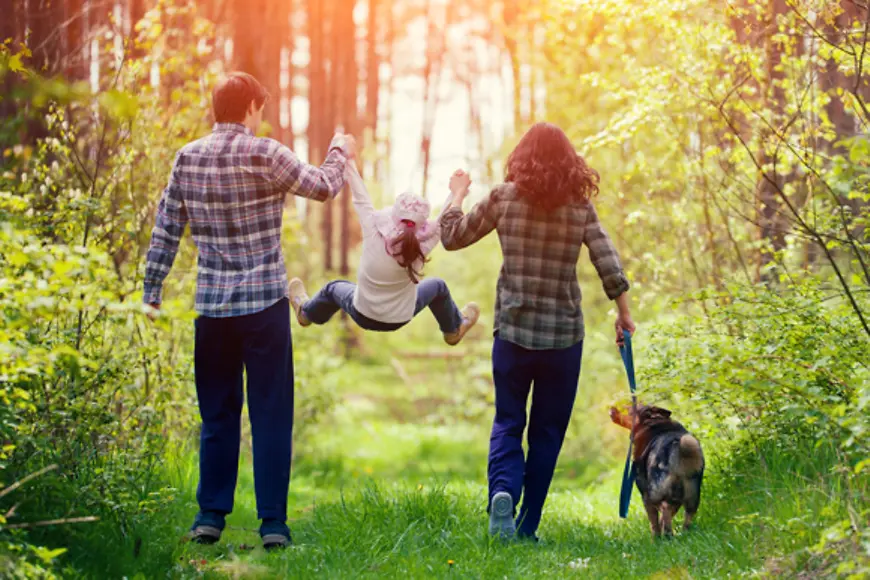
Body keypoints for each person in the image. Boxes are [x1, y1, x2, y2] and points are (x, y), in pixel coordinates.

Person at [142, 72, 355, 549]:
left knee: (218, 414)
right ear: (252, 106)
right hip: (263, 307)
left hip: (212, 309)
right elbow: (323, 186)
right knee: (270, 414)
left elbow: (166, 227)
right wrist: (339, 149)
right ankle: (273, 524)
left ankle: (209, 516)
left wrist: (151, 288)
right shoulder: (266, 152)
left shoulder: (187, 157)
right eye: (261, 107)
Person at [439, 122, 636, 541]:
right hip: (563, 338)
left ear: (521, 157)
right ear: (569, 162)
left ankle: (503, 494)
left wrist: (456, 194)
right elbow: (607, 260)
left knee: (509, 421)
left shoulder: (502, 197)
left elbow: (452, 237)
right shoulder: (579, 207)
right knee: (547, 432)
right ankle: (526, 527)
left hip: (512, 332)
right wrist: (624, 315)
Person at [289, 162, 479, 344]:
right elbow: (443, 221)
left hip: (362, 313)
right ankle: (453, 330)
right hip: (400, 318)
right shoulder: (423, 245)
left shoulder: (373, 229)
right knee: (438, 286)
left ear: (392, 216)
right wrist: (457, 193)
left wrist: (349, 161)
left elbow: (360, 197)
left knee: (333, 288)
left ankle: (305, 314)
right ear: (422, 225)